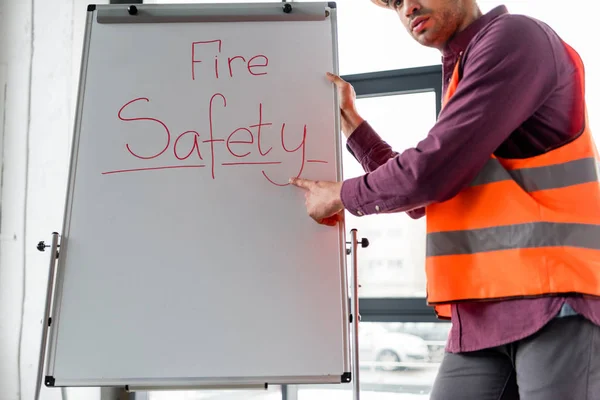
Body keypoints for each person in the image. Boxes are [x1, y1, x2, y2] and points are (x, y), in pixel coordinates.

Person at [289, 1, 600, 399]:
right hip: (482, 312)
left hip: (555, 301)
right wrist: (352, 125)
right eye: (396, 2)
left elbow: (431, 172)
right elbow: (427, 193)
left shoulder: (515, 39)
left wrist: (341, 195)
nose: (407, 8)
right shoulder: (464, 71)